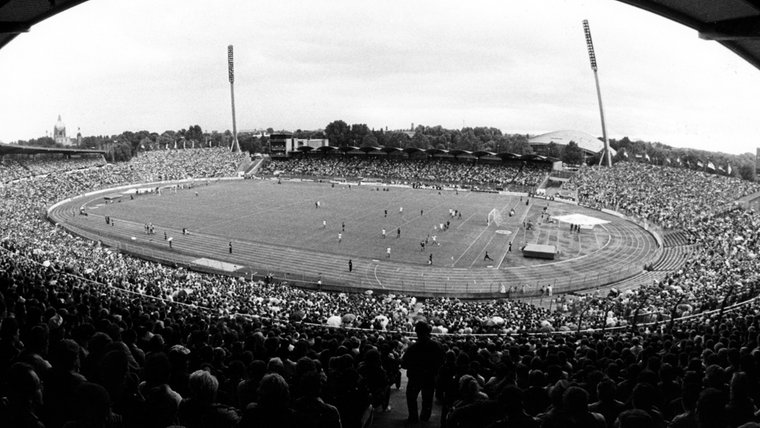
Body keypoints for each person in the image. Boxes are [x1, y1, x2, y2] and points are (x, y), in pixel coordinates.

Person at [402, 321, 444, 423]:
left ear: (417, 332)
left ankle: (413, 417)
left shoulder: (412, 348)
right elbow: (442, 361)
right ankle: (425, 418)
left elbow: (404, 364)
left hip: (415, 377)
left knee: (411, 398)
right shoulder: (437, 346)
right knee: (428, 399)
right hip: (430, 377)